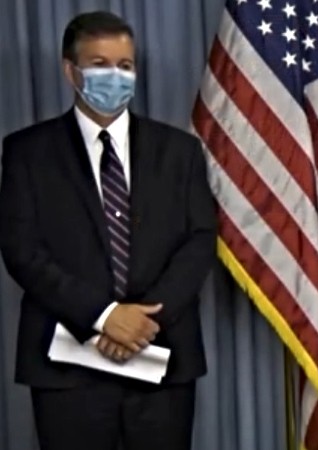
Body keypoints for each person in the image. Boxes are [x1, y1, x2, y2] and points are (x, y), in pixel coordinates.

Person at [0, 11, 216, 450]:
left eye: (125, 66)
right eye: (100, 64)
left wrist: (140, 324)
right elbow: (22, 251)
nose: (114, 76)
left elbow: (200, 241)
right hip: (67, 371)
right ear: (70, 70)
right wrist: (105, 317)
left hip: (162, 364)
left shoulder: (180, 152)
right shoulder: (27, 152)